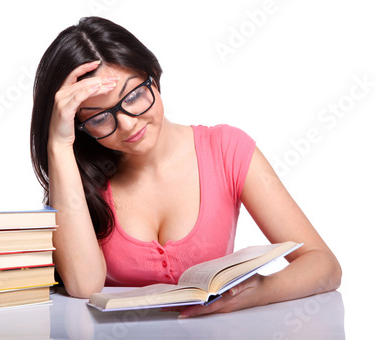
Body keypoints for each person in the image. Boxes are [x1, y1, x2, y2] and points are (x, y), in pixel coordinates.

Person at [30, 16, 341, 318]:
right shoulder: (80, 178)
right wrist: (58, 144)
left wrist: (258, 291)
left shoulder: (224, 149)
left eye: (135, 95)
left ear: (152, 73)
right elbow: (84, 285)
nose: (126, 124)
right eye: (98, 118)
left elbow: (324, 266)